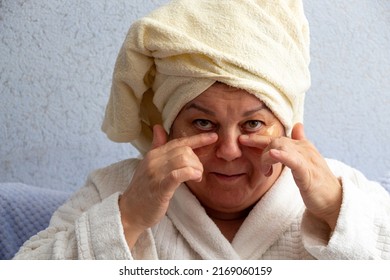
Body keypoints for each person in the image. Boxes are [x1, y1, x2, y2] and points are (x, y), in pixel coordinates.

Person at [14, 0, 390, 260]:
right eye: (203, 123)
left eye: (253, 124)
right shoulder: (116, 191)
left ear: (288, 129)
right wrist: (128, 217)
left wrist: (334, 210)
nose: (229, 150)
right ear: (167, 130)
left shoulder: (343, 191)